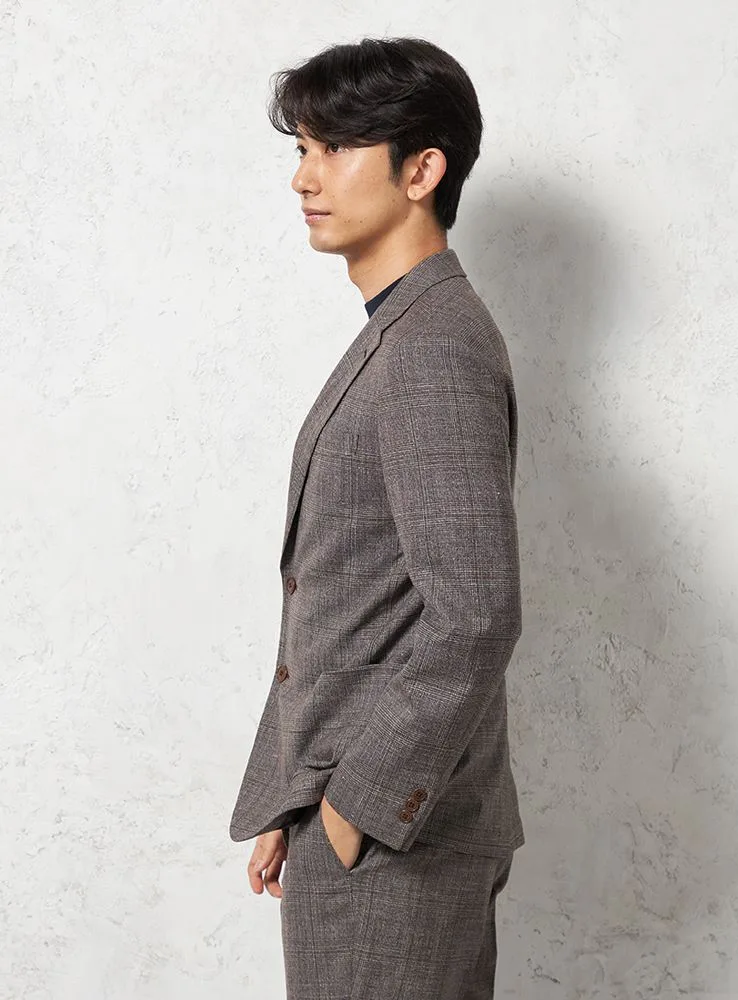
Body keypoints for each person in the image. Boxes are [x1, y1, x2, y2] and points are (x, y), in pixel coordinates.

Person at [229, 35, 525, 999]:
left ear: (421, 171)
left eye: (333, 148)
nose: (303, 177)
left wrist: (353, 808)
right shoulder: (402, 333)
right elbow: (348, 596)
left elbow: (475, 611)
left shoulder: (432, 345)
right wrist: (291, 792)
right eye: (301, 149)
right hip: (363, 824)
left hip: (397, 838)